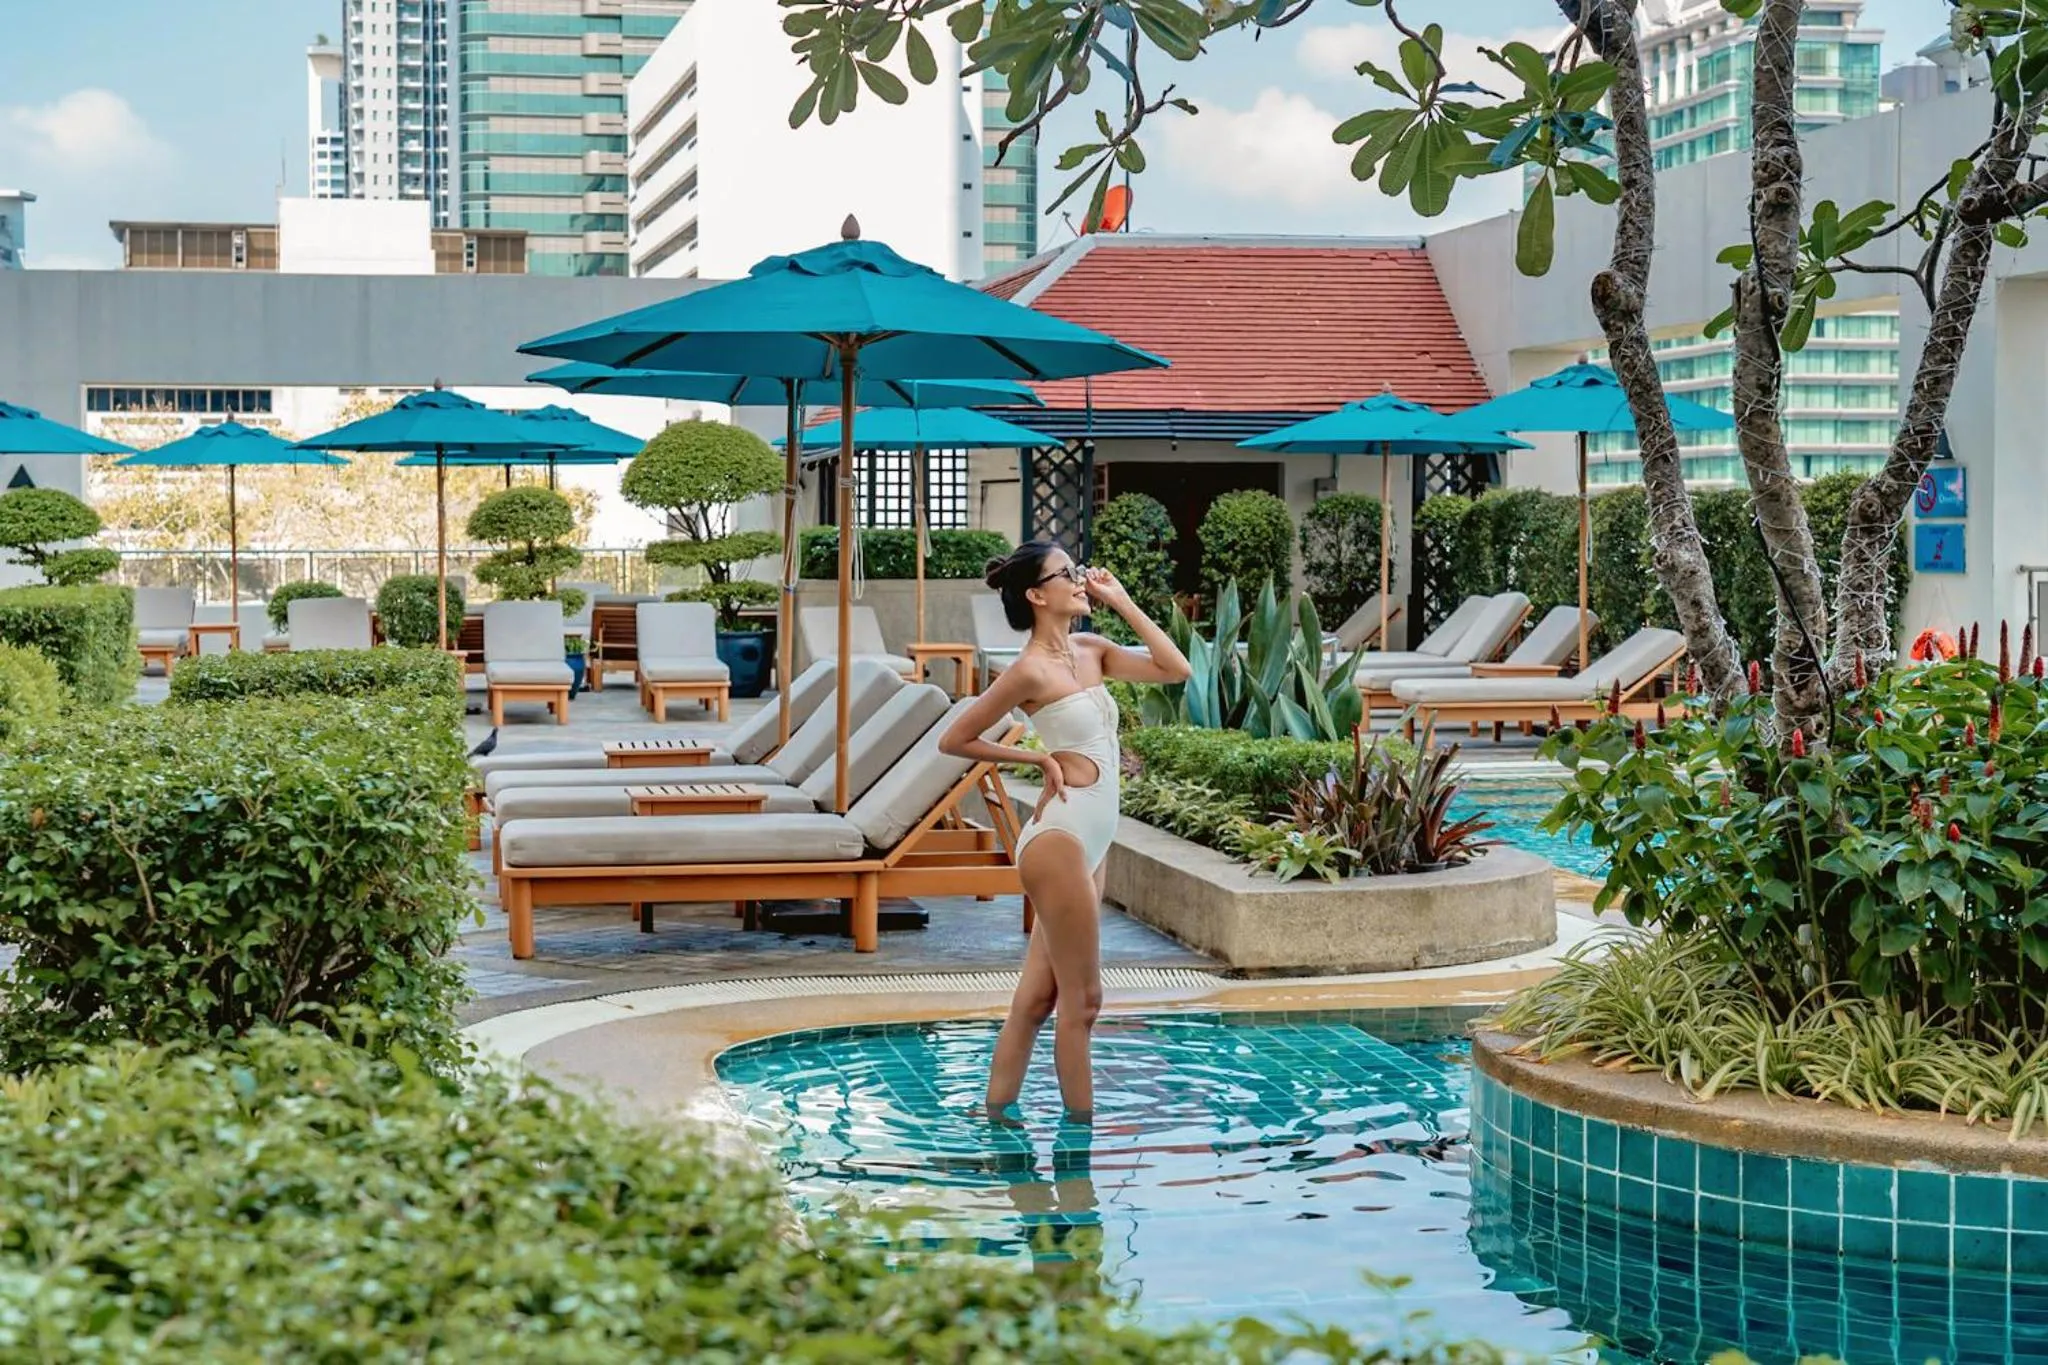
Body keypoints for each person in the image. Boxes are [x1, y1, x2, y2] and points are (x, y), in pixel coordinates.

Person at [940, 542, 1190, 1121]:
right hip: (1061, 839)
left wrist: (1120, 599)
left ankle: (996, 1119)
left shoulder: (1091, 650)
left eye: (1078, 572)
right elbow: (954, 739)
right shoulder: (1028, 670)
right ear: (1036, 595)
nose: (1080, 581)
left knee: (1037, 999)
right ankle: (1079, 1154)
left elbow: (1176, 670)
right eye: (1067, 575)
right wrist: (1037, 760)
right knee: (1085, 1002)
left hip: (1092, 841)